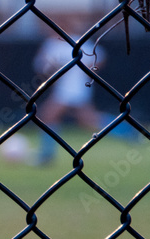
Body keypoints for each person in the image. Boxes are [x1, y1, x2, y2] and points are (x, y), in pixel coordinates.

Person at [32, 29, 135, 164]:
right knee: (88, 120)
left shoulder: (76, 41)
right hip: (63, 88)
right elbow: (41, 66)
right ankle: (128, 132)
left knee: (49, 115)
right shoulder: (51, 44)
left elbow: (100, 56)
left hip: (75, 88)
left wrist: (87, 71)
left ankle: (46, 155)